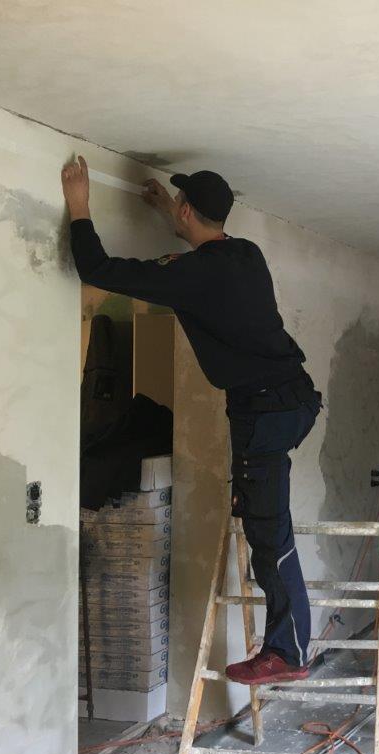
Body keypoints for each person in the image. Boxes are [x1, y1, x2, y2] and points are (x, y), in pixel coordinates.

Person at [62, 156, 321, 685]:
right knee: (262, 512)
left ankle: (288, 652)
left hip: (263, 412)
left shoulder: (190, 274)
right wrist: (167, 209)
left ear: (186, 212)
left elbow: (97, 269)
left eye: (178, 204)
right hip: (296, 398)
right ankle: (285, 636)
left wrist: (79, 206)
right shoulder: (247, 254)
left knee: (267, 533)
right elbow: (204, 254)